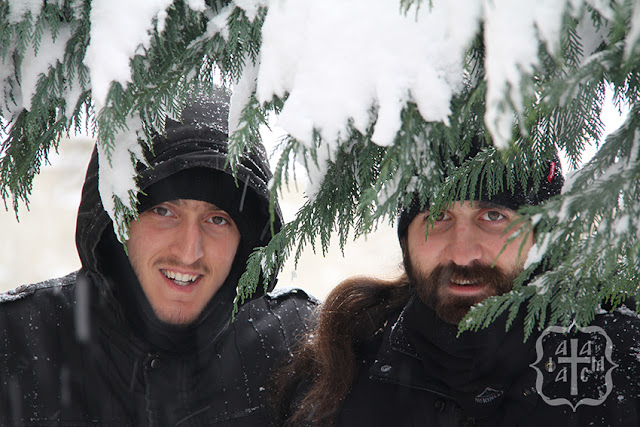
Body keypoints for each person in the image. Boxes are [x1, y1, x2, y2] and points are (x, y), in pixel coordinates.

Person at [0, 89, 316, 426]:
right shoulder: (16, 341)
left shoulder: (301, 345)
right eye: (164, 212)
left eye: (217, 220)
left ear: (247, 241)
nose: (189, 252)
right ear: (115, 224)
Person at [274, 139, 640, 426]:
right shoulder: (341, 371)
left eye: (493, 216)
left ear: (542, 237)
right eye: (438, 216)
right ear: (406, 241)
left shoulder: (621, 360)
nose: (462, 254)